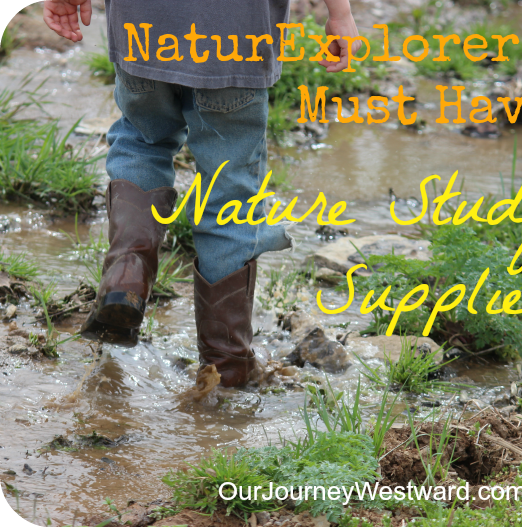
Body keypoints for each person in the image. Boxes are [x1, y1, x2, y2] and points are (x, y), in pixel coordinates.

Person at [42, 0, 361, 387]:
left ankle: (127, 275)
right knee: (229, 194)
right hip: (235, 41)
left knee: (143, 141)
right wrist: (340, 13)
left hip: (144, 28)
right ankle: (225, 368)